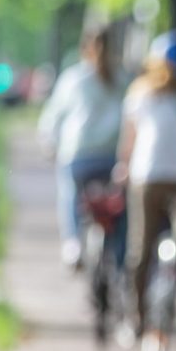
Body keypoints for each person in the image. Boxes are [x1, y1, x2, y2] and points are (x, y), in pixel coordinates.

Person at [115, 31, 176, 349]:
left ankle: (136, 317)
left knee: (140, 249)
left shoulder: (141, 92)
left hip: (147, 177)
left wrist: (123, 166)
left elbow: (129, 139)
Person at [38, 26, 126, 268]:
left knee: (70, 193)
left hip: (79, 154)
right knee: (121, 205)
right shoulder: (123, 78)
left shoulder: (73, 77)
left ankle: (73, 243)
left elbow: (53, 116)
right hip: (114, 156)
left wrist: (49, 143)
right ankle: (121, 255)